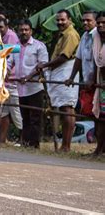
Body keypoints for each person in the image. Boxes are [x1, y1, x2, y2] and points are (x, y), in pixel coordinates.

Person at [37, 9, 80, 152]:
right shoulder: (63, 34)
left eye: (63, 20)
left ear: (69, 20)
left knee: (67, 108)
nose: (60, 22)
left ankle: (66, 146)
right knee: (63, 108)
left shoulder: (71, 35)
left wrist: (45, 65)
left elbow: (64, 57)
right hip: (60, 73)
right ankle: (64, 145)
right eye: (58, 20)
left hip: (67, 72)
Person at [10, 19, 49, 148]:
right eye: (21, 30)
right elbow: (9, 62)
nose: (24, 32)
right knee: (24, 116)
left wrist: (29, 77)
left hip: (35, 87)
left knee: (35, 117)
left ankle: (34, 143)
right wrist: (5, 72)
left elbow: (42, 65)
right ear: (18, 31)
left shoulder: (39, 46)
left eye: (26, 30)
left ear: (31, 31)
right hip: (21, 88)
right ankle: (25, 142)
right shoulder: (15, 47)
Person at [0, 16, 20, 145]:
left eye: (1, 27)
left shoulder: (10, 37)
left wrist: (4, 73)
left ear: (6, 26)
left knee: (2, 108)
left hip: (10, 79)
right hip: (0, 77)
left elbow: (8, 58)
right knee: (3, 110)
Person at [65, 11, 97, 114]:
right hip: (88, 82)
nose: (85, 23)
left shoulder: (98, 36)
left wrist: (93, 79)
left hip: (97, 82)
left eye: (88, 20)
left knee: (99, 115)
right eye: (83, 20)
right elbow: (78, 59)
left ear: (96, 22)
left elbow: (99, 62)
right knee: (90, 113)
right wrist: (71, 77)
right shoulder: (84, 36)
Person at [91, 11, 105, 155]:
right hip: (101, 83)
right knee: (100, 117)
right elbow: (97, 62)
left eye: (104, 23)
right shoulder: (96, 38)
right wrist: (93, 79)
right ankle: (99, 148)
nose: (101, 25)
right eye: (99, 22)